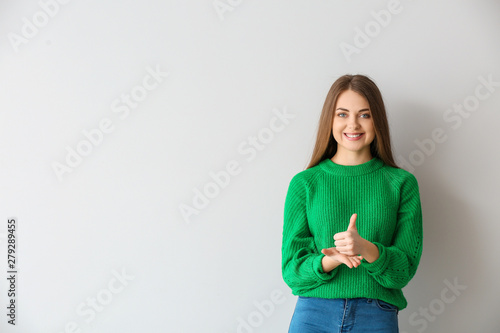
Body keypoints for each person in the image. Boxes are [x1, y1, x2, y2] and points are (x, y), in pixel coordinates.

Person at [281, 74, 423, 333]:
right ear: (330, 120)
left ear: (377, 119)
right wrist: (333, 259)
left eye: (364, 115)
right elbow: (292, 271)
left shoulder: (401, 183)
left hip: (376, 315)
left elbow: (403, 271)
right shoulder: (305, 183)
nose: (353, 124)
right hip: (314, 313)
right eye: (343, 114)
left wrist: (366, 249)